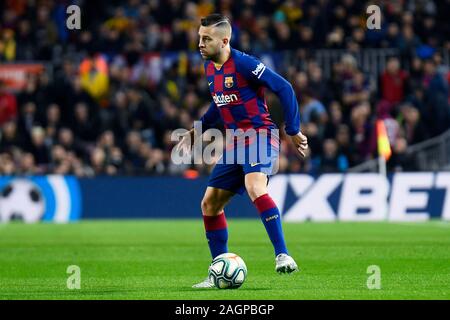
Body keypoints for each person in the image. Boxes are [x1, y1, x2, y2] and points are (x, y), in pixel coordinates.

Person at [176, 14, 308, 288]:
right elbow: (218, 107)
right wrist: (197, 129)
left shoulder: (245, 63)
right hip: (235, 142)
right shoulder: (210, 69)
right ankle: (217, 272)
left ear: (224, 40)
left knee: (255, 186)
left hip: (260, 135)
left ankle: (283, 254)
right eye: (199, 38)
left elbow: (284, 87)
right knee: (209, 204)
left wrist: (292, 129)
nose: (200, 44)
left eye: (206, 39)